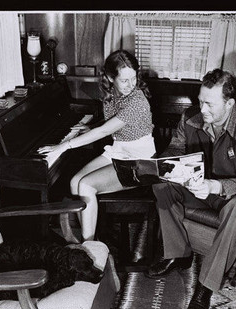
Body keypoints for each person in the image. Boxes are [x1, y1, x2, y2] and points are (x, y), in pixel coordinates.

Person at [145, 69, 236, 309]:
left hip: (232, 195)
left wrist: (216, 186)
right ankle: (178, 254)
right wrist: (165, 165)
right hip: (197, 188)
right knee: (162, 187)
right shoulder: (190, 117)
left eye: (209, 103)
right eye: (200, 101)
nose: (202, 109)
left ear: (230, 103)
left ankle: (206, 285)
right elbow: (175, 149)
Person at [38, 50, 155, 241]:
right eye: (125, 80)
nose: (131, 85)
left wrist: (63, 146)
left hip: (140, 161)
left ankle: (89, 248)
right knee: (75, 182)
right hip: (119, 150)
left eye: (133, 78)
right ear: (110, 77)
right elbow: (113, 123)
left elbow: (104, 132)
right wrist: (90, 127)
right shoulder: (111, 95)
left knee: (85, 185)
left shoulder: (137, 101)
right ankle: (89, 238)